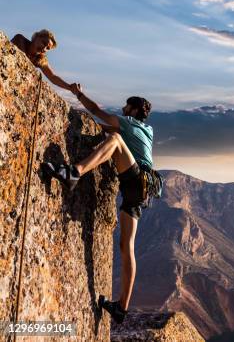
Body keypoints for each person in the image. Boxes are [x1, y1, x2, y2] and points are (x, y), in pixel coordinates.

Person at [43, 86, 154, 324]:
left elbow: (96, 111)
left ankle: (75, 172)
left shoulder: (127, 123)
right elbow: (108, 129)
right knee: (127, 247)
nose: (123, 109)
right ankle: (121, 308)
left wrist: (78, 94)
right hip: (141, 191)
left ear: (133, 110)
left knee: (114, 140)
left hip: (134, 180)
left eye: (126, 106)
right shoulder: (146, 130)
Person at [11, 29, 80, 95]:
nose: (44, 48)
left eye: (47, 48)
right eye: (44, 43)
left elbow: (53, 77)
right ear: (36, 37)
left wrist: (71, 88)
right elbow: (22, 58)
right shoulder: (20, 39)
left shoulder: (40, 59)